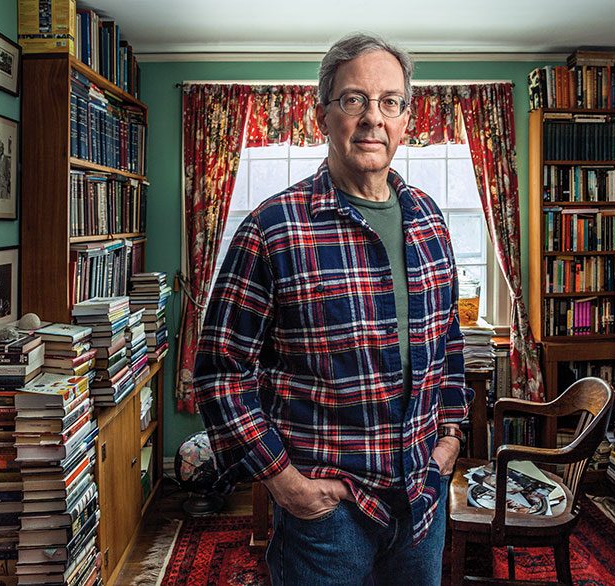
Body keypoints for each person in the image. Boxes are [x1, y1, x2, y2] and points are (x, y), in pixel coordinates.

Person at [194, 33, 473, 586]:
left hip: (421, 502)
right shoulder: (273, 229)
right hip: (327, 519)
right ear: (322, 113)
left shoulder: (429, 219)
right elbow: (220, 373)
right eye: (354, 100)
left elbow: (449, 341)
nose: (373, 118)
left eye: (389, 101)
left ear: (405, 118)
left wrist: (451, 439)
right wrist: (286, 484)